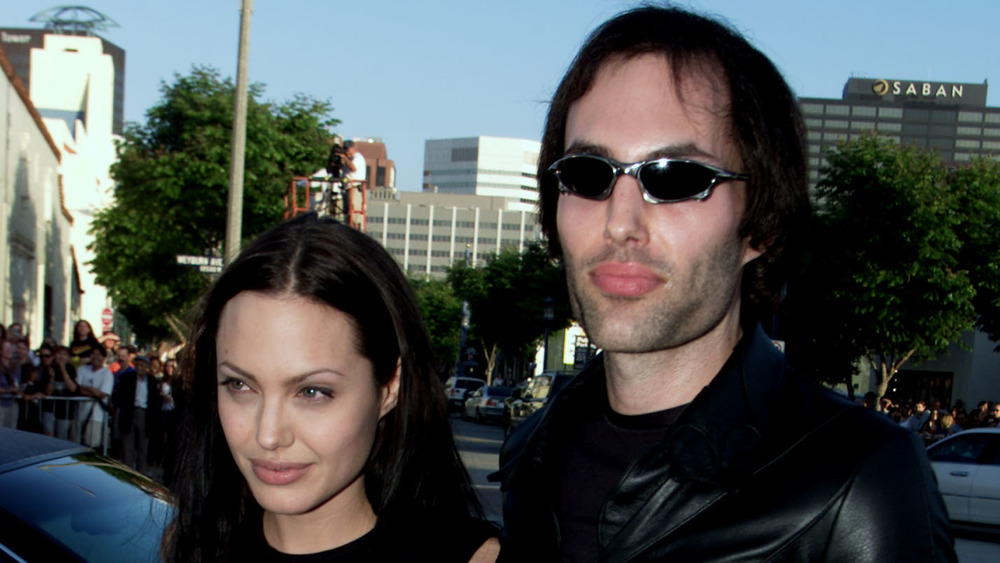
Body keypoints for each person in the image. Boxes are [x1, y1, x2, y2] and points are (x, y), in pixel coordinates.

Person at [491, 6, 954, 561]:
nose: (619, 223)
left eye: (678, 178)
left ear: (759, 224)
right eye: (588, 174)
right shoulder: (534, 453)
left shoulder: (857, 477)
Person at [163, 214, 498, 562]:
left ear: (389, 387)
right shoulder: (189, 545)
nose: (268, 434)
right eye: (240, 385)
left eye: (312, 392)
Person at [113, 355, 163, 474]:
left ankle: (141, 473)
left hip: (144, 414)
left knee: (142, 447)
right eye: (137, 365)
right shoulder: (127, 378)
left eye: (142, 365)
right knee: (127, 447)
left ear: (147, 367)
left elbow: (155, 400)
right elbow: (119, 396)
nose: (139, 367)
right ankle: (127, 473)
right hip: (129, 413)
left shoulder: (152, 380)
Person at [77, 346, 114, 449]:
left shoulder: (107, 374)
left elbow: (102, 394)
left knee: (92, 446)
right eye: (93, 354)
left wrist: (87, 390)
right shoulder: (82, 369)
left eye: (99, 355)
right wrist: (92, 390)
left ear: (104, 357)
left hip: (96, 416)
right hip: (79, 414)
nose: (95, 357)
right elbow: (77, 389)